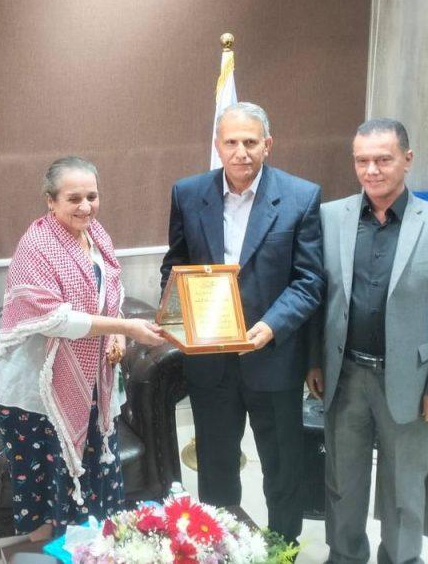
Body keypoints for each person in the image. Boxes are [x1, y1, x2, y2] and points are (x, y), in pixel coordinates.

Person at [306, 118, 428, 564]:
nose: (371, 170)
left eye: (383, 159)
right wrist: (314, 361)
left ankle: (401, 559)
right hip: (344, 375)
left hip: (410, 382)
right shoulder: (330, 217)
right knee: (342, 482)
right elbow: (318, 299)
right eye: (362, 160)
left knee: (404, 488)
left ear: (407, 159)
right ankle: (345, 556)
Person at [160, 101, 323, 544]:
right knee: (215, 466)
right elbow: (176, 266)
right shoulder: (188, 193)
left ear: (268, 145)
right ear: (217, 145)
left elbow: (309, 281)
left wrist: (271, 325)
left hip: (273, 356)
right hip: (210, 361)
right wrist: (176, 314)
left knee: (282, 468)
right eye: (231, 142)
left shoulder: (301, 196)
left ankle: (283, 548)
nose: (241, 152)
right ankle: (221, 545)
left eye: (250, 142)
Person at [0, 156, 165, 542]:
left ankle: (91, 549)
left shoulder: (97, 236)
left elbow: (109, 295)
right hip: (37, 395)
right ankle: (47, 552)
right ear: (50, 201)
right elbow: (57, 320)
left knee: (93, 482)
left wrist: (117, 334)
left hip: (92, 385)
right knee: (44, 492)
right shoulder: (36, 245)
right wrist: (124, 327)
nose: (85, 207)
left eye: (92, 196)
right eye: (73, 199)